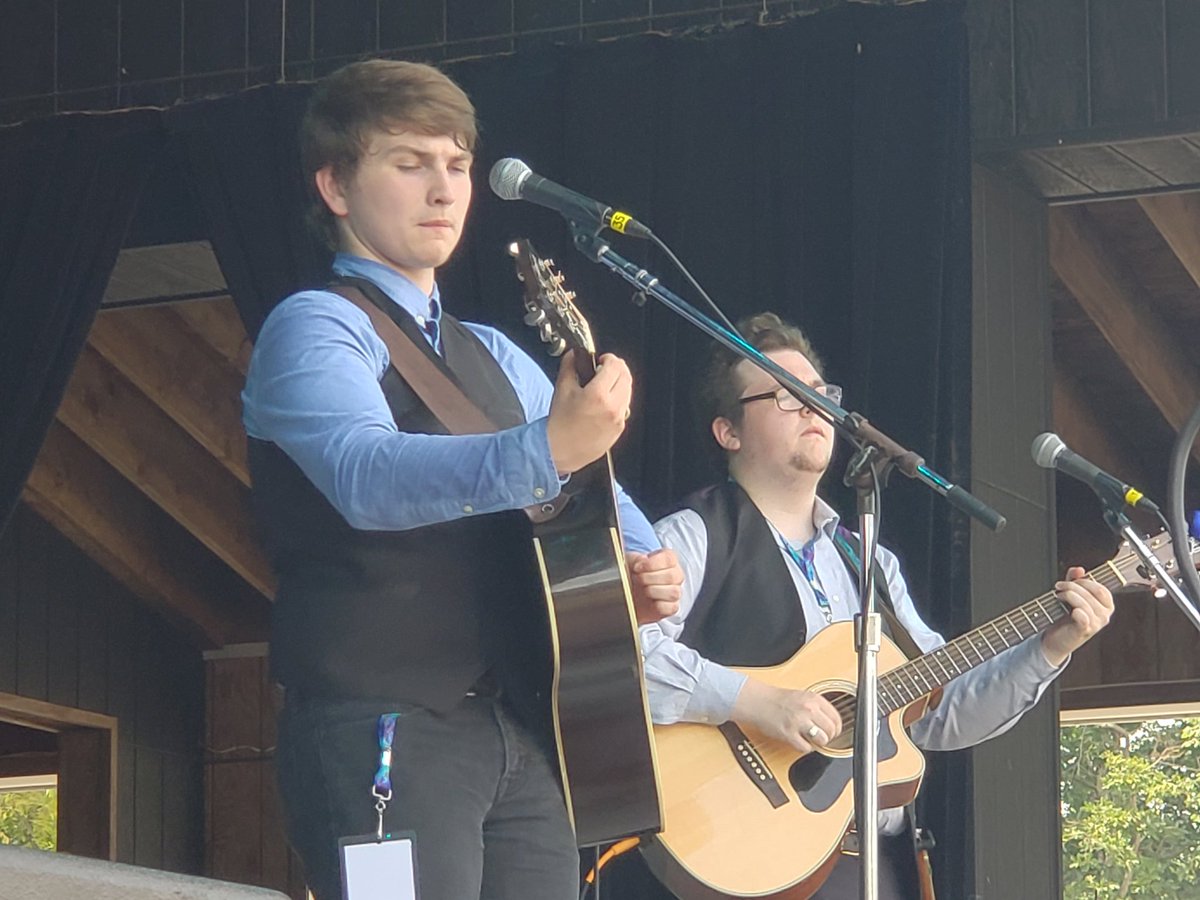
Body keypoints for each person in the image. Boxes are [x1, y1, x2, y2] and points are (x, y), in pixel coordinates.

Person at [240, 59, 683, 900]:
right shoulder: (315, 324)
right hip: (382, 722)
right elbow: (363, 473)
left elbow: (606, 504)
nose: (444, 189)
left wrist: (648, 567)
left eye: (456, 165)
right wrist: (549, 448)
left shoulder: (495, 351)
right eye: (409, 164)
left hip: (517, 724)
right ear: (335, 187)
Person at [638, 312, 1114, 899]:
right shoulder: (691, 535)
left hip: (857, 863)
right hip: (730, 845)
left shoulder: (870, 563)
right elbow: (629, 659)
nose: (814, 407)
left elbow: (941, 712)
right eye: (785, 395)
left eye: (820, 393)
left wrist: (1049, 648)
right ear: (728, 431)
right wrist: (760, 702)